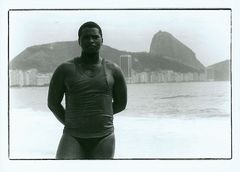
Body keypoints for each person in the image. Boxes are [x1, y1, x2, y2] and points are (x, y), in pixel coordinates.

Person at [47, 21, 127, 159]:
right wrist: (71, 121)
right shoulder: (65, 69)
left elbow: (121, 103)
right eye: (86, 37)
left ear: (102, 40)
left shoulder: (113, 70)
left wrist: (100, 116)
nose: (91, 40)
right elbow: (53, 103)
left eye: (95, 37)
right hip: (72, 136)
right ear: (79, 41)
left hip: (104, 136)